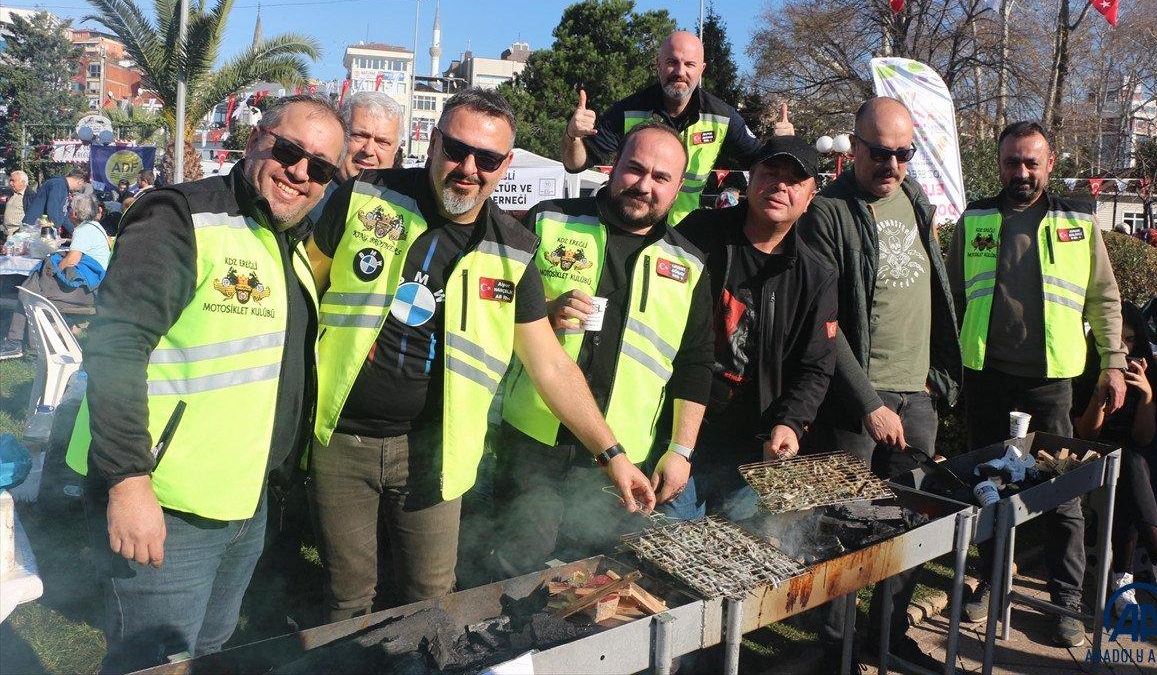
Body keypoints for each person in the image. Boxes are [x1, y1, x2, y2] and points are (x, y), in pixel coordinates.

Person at [305, 87, 655, 621]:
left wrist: (614, 454)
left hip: (436, 454)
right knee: (348, 598)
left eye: (488, 159)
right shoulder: (365, 198)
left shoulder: (513, 249)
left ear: (505, 165)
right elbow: (304, 292)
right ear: (434, 141)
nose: (468, 168)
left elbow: (551, 365)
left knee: (429, 602)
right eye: (457, 150)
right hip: (342, 440)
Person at [64, 94, 347, 673]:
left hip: (242, 503)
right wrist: (127, 482)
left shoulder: (283, 243)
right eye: (290, 152)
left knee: (208, 653)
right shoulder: (183, 216)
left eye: (320, 168)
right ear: (256, 141)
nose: (300, 173)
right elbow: (116, 348)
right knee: (153, 661)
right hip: (166, 503)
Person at [491, 121, 714, 576]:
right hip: (536, 442)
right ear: (613, 169)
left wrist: (681, 450)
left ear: (677, 190)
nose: (644, 185)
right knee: (511, 571)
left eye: (660, 178)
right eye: (635, 169)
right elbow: (489, 305)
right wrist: (541, 311)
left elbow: (695, 364)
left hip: (626, 456)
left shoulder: (689, 265)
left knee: (598, 582)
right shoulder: (549, 219)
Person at [948, 120, 1126, 648]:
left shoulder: (1078, 220)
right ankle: (991, 584)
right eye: (1011, 162)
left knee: (1062, 496)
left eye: (1032, 162)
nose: (1021, 172)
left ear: (1050, 164)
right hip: (986, 376)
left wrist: (1112, 362)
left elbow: (1104, 297)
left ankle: (1064, 601)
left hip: (1052, 381)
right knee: (986, 487)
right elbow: (952, 293)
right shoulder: (975, 217)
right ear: (998, 163)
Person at [799, 97, 961, 669]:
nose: (891, 165)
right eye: (880, 152)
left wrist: (933, 382)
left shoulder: (915, 200)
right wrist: (868, 402)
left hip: (917, 396)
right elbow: (826, 323)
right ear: (854, 146)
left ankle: (889, 634)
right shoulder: (829, 213)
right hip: (855, 403)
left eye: (903, 154)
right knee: (843, 530)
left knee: (913, 526)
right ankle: (834, 647)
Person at [673, 136, 837, 520]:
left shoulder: (817, 275)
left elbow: (817, 365)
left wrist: (789, 423)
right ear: (750, 180)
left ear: (810, 197)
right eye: (771, 172)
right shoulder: (700, 232)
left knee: (734, 554)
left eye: (796, 180)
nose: (781, 185)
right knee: (671, 543)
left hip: (752, 444)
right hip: (681, 426)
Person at [560, 31, 793, 225]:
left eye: (689, 64)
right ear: (658, 65)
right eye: (672, 62)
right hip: (625, 225)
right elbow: (575, 164)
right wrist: (572, 136)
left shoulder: (723, 116)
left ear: (701, 69)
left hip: (683, 235)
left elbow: (761, 164)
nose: (680, 72)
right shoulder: (627, 110)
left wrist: (782, 145)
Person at [1072, 301, 1157, 619]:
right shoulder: (1086, 368)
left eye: (1129, 340)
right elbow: (1088, 433)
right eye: (1115, 342)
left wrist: (1146, 396)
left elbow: (1143, 437)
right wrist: (1102, 393)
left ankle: (1123, 583)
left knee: (1130, 463)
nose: (1123, 349)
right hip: (1093, 453)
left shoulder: (1146, 370)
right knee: (1128, 462)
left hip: (1132, 459)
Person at [0, 193, 110, 360]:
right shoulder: (95, 227)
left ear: (74, 214)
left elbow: (71, 261)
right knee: (30, 289)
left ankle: (19, 344)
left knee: (30, 291)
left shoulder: (84, 230)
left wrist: (54, 269)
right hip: (91, 288)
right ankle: (24, 345)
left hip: (84, 290)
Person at [309, 91, 403, 223]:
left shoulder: (408, 207)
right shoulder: (306, 193)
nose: (369, 150)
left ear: (396, 151)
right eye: (359, 136)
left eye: (382, 142)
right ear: (340, 136)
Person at [23, 164, 90, 234]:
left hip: (41, 229)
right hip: (33, 230)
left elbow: (63, 215)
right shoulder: (58, 185)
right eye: (83, 185)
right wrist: (56, 229)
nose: (81, 188)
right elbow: (52, 211)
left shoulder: (63, 188)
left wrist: (75, 232)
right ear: (80, 181)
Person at [4, 169, 31, 236]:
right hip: (6, 232)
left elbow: (32, 218)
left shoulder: (30, 196)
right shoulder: (12, 193)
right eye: (10, 181)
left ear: (23, 182)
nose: (10, 183)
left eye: (13, 181)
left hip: (18, 235)